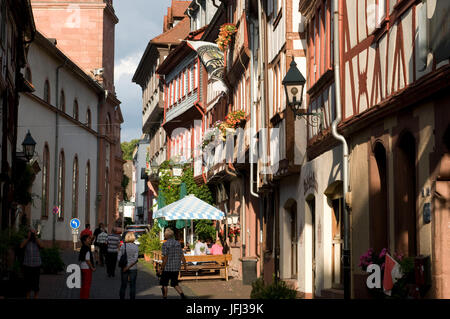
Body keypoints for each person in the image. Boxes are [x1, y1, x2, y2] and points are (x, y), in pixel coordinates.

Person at [158, 228, 187, 299]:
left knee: (164, 284)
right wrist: (185, 265)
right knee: (174, 283)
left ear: (167, 235)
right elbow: (181, 255)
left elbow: (165, 258)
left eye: (165, 234)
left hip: (167, 268)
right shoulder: (178, 243)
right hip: (176, 267)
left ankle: (165, 297)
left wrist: (161, 268)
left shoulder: (165, 244)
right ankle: (182, 295)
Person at [20, 229, 42, 299]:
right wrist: (28, 238)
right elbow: (21, 246)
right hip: (27, 265)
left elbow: (42, 246)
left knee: (36, 282)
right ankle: (28, 296)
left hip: (36, 265)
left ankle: (36, 296)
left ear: (36, 233)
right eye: (31, 232)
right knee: (27, 282)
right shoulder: (25, 240)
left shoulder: (38, 240)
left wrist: (35, 237)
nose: (32, 234)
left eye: (33, 232)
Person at [118, 232, 139, 299]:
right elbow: (135, 259)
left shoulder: (123, 246)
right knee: (132, 285)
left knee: (123, 285)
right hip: (133, 268)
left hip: (124, 267)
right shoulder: (136, 246)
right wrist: (129, 267)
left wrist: (124, 266)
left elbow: (119, 257)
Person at [79, 234, 96, 299]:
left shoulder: (83, 247)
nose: (89, 240)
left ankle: (82, 296)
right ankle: (85, 297)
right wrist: (92, 268)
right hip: (87, 268)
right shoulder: (86, 248)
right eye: (88, 239)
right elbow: (87, 260)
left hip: (83, 267)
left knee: (84, 284)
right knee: (87, 284)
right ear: (84, 241)